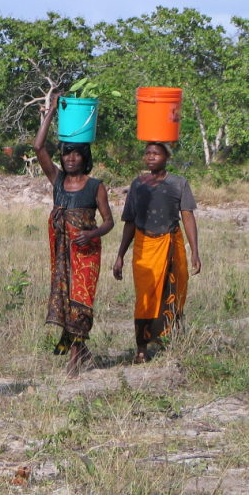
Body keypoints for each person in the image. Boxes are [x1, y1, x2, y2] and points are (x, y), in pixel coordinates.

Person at [33, 93, 114, 377]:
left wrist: (92, 234)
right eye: (66, 153)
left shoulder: (95, 186)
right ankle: (81, 351)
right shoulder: (57, 180)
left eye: (76, 153)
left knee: (82, 302)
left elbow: (109, 222)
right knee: (66, 300)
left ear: (85, 157)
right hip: (62, 252)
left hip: (86, 252)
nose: (70, 158)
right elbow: (38, 146)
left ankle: (75, 359)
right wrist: (52, 111)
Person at [113, 142, 200, 364]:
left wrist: (195, 252)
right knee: (144, 295)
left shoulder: (178, 183)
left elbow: (188, 217)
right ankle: (141, 349)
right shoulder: (138, 184)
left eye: (156, 153)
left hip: (171, 243)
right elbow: (130, 221)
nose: (151, 157)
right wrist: (120, 255)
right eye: (147, 153)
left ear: (167, 157)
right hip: (144, 245)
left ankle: (170, 342)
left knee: (174, 291)